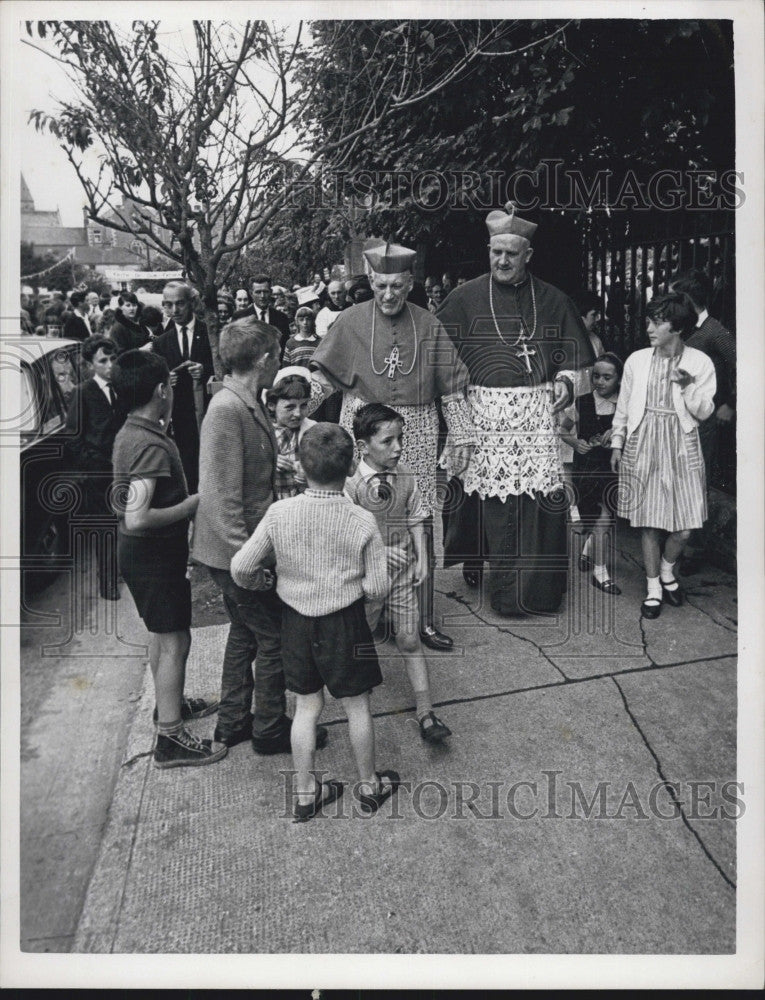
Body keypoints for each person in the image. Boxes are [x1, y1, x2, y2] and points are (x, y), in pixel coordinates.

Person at [309, 241, 477, 651]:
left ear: (410, 282)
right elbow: (324, 378)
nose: (388, 295)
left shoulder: (430, 324)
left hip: (416, 429)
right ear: (370, 280)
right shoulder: (349, 321)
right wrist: (289, 408)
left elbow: (452, 390)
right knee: (356, 518)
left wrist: (463, 435)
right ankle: (357, 611)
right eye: (381, 285)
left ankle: (422, 618)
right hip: (362, 426)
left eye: (397, 286)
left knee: (417, 517)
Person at [231, 423, 398, 820]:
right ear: (352, 463)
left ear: (302, 468)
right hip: (344, 621)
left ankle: (306, 793)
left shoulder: (279, 513)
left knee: (307, 706)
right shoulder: (361, 521)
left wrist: (267, 581)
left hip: (296, 621)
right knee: (357, 705)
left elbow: (241, 567)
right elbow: (376, 587)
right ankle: (369, 786)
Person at [437, 201, 595, 616]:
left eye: (511, 253)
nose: (502, 260)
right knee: (486, 501)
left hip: (535, 419)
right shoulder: (462, 298)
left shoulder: (554, 300)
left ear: (528, 255)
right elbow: (439, 357)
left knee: (537, 503)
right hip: (485, 415)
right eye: (496, 252)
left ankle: (536, 591)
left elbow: (579, 364)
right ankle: (483, 566)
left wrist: (564, 382)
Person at [192, 318, 329, 753]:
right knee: (271, 638)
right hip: (236, 552)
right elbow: (219, 497)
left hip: (241, 550)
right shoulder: (227, 409)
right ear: (265, 359)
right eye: (277, 356)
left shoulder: (242, 402)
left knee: (245, 633)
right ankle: (269, 729)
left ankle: (233, 722)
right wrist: (244, 563)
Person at [111, 350, 225, 768]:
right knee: (176, 638)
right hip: (152, 556)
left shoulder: (132, 431)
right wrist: (195, 503)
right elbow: (137, 517)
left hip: (145, 557)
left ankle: (169, 705)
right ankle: (171, 739)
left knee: (163, 634)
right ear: (162, 391)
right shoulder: (148, 445)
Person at [347, 403, 452, 744]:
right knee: (359, 642)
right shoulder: (349, 486)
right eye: (387, 441)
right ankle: (358, 714)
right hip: (364, 581)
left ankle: (426, 713)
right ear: (363, 446)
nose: (398, 447)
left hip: (401, 575)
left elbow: (416, 517)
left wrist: (423, 557)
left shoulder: (405, 474)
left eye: (400, 438)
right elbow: (344, 538)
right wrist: (376, 553)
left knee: (409, 639)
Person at [611, 293, 715, 619]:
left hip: (682, 444)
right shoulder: (637, 360)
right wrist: (617, 442)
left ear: (678, 326)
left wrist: (687, 387)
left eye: (658, 322)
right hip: (644, 442)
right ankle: (654, 586)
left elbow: (704, 412)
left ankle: (668, 570)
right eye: (648, 321)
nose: (650, 328)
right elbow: (624, 406)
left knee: (685, 526)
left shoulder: (699, 362)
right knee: (649, 521)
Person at [669, 267, 736, 574]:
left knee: (697, 483)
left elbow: (744, 367)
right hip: (678, 419)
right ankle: (674, 543)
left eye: (674, 296)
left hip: (704, 423)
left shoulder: (716, 332)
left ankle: (692, 550)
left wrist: (729, 404)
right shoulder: (683, 329)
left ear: (687, 299)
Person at [64, 336, 127, 600]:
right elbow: (73, 439)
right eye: (103, 360)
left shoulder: (121, 389)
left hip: (123, 468)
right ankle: (108, 581)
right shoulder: (82, 393)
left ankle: (122, 571)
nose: (110, 365)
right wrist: (93, 466)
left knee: (125, 523)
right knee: (105, 530)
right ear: (90, 365)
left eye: (113, 359)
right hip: (98, 474)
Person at [559, 354, 623, 595]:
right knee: (593, 519)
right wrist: (575, 443)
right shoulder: (582, 402)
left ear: (618, 379)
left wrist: (618, 438)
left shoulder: (623, 406)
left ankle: (600, 571)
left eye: (607, 377)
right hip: (585, 469)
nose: (600, 381)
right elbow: (563, 430)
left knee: (604, 520)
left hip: (610, 469)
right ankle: (588, 548)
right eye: (596, 376)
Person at [151, 281, 214, 493]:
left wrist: (204, 370)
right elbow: (156, 383)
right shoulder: (161, 341)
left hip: (207, 412)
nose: (175, 310)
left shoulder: (209, 334)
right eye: (169, 305)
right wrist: (166, 381)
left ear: (191, 303)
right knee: (188, 467)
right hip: (179, 416)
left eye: (180, 304)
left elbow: (222, 370)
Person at [266, 370, 315, 500]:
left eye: (303, 405)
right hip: (271, 501)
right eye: (290, 407)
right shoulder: (263, 432)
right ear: (271, 405)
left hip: (302, 501)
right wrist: (268, 463)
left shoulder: (312, 430)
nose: (298, 414)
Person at [235, 274, 291, 357]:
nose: (262, 296)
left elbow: (284, 348)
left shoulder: (281, 318)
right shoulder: (240, 317)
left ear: (271, 292)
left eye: (265, 291)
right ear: (251, 293)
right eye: (258, 292)